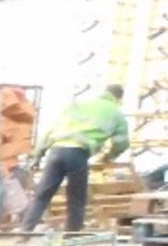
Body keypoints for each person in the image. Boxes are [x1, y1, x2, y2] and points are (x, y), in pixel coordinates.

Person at [18, 85, 130, 231]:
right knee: (76, 200)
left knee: (42, 195)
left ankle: (25, 231)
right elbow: (121, 143)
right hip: (78, 154)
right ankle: (72, 238)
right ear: (119, 98)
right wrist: (108, 157)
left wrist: (37, 157)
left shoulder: (77, 105)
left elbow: (49, 132)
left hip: (56, 151)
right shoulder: (116, 114)